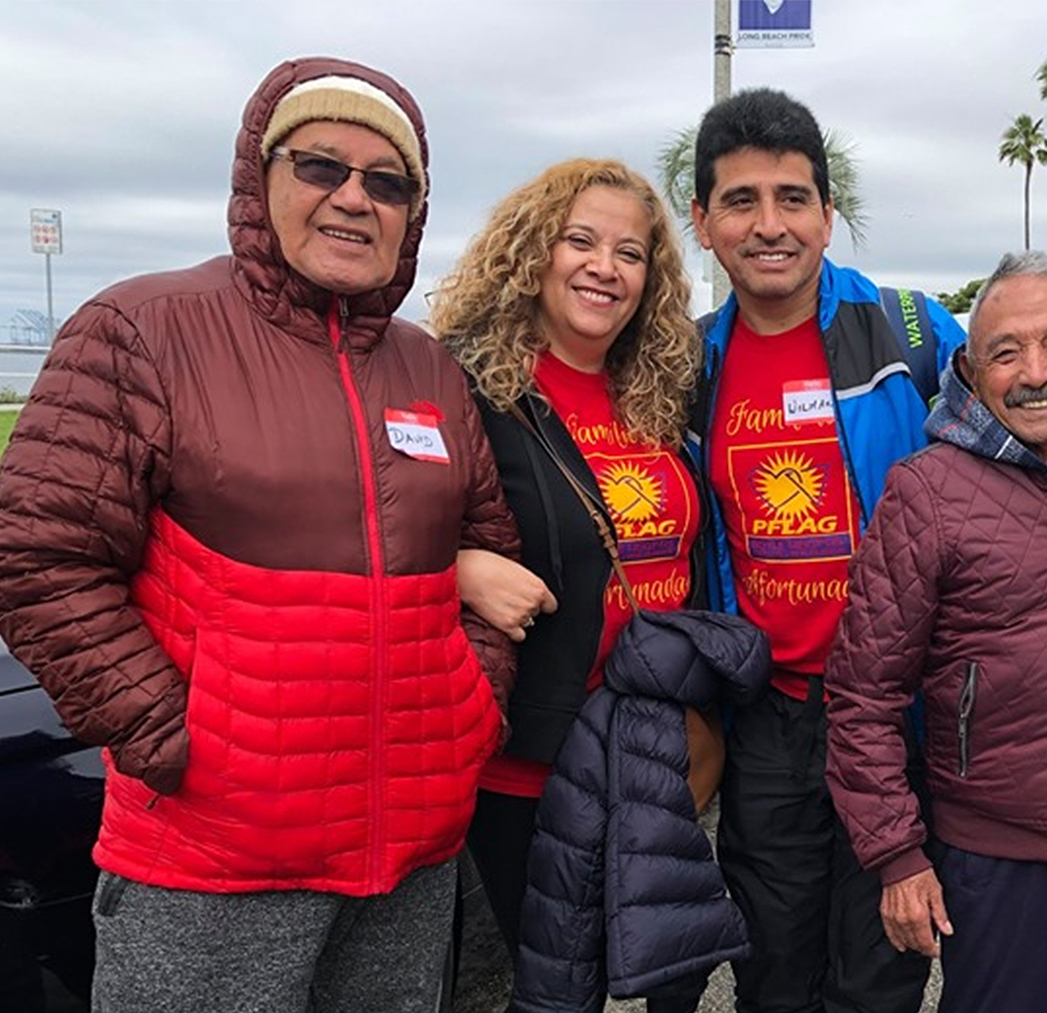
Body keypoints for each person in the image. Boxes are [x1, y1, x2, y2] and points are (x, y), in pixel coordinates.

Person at [0, 58, 518, 1013]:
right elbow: (40, 554)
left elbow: (493, 544)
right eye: (322, 165)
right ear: (259, 178)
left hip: (405, 857)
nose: (354, 199)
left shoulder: (430, 370)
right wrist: (169, 734)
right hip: (212, 863)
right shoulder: (144, 329)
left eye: (388, 182)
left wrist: (466, 711)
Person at [825, 251, 1047, 1013]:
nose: (1034, 372)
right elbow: (862, 695)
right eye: (1004, 351)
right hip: (997, 857)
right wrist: (896, 857)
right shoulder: (927, 491)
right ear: (968, 366)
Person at [686, 86, 966, 1013]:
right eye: (740, 200)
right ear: (702, 221)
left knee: (883, 967)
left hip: (899, 712)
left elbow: (1045, 426)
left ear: (826, 213)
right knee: (770, 968)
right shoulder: (689, 365)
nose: (769, 225)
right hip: (769, 715)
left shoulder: (911, 332)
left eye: (791, 198)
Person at [433, 158, 731, 1011]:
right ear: (531, 253)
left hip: (660, 737)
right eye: (581, 241)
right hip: (534, 758)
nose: (605, 266)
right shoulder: (469, 392)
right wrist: (458, 570)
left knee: (672, 960)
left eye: (630, 252)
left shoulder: (664, 393)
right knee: (559, 985)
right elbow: (370, 528)